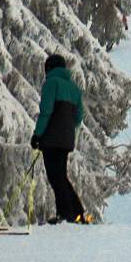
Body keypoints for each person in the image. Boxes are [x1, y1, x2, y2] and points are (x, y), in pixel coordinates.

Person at [32, 54, 86, 224]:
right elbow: (78, 117)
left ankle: (66, 214)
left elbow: (46, 111)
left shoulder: (51, 83)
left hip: (51, 138)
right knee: (61, 175)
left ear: (49, 68)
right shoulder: (74, 88)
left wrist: (38, 134)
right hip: (67, 139)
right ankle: (76, 212)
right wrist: (67, 127)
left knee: (55, 176)